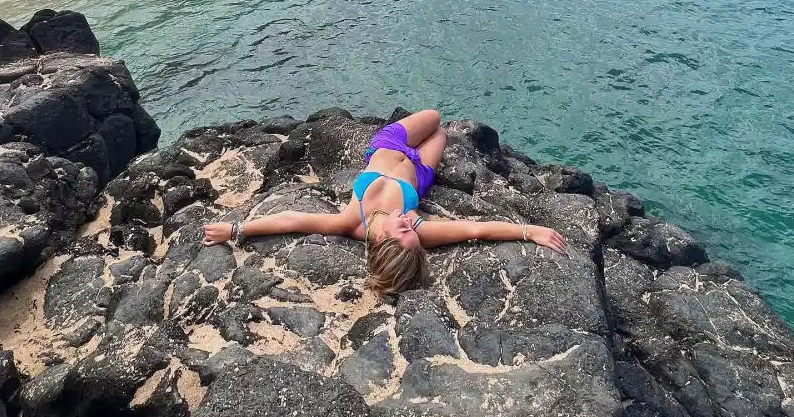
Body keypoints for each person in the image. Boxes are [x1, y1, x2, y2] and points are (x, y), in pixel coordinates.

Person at [203, 109, 567, 296]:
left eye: (403, 229)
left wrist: (237, 228)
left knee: (436, 120)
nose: (410, 224)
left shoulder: (350, 221)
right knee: (438, 127)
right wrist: (529, 230)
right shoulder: (418, 231)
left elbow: (290, 220)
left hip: (387, 146)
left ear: (380, 240)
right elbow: (476, 229)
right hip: (420, 171)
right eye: (412, 231)